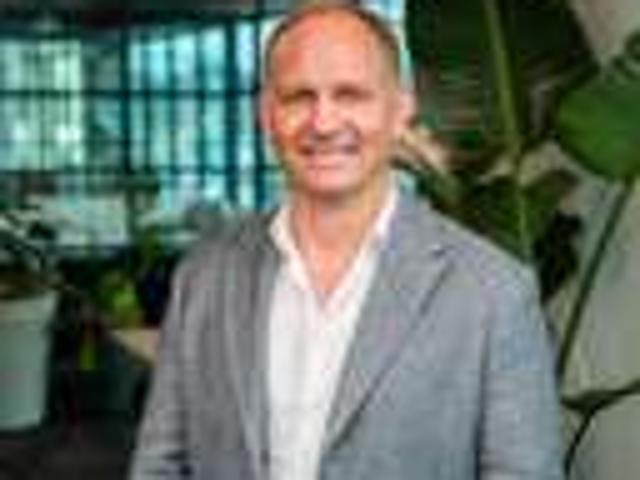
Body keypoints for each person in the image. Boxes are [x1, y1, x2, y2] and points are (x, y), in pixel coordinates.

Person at [129, 3, 563, 480]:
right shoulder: (205, 276)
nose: (324, 122)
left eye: (351, 94)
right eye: (298, 97)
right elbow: (159, 465)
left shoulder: (494, 292)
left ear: (400, 110)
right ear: (266, 114)